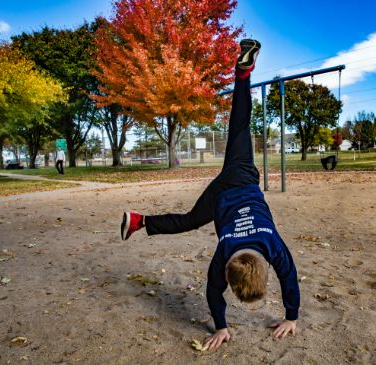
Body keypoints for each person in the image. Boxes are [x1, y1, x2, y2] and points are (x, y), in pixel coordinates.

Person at [120, 39, 300, 351]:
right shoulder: (224, 253)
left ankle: (243, 74)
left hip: (239, 177)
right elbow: (212, 293)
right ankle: (139, 221)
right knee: (190, 220)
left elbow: (289, 277)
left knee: (240, 127)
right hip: (223, 197)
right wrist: (286, 318)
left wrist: (290, 316)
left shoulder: (270, 246)